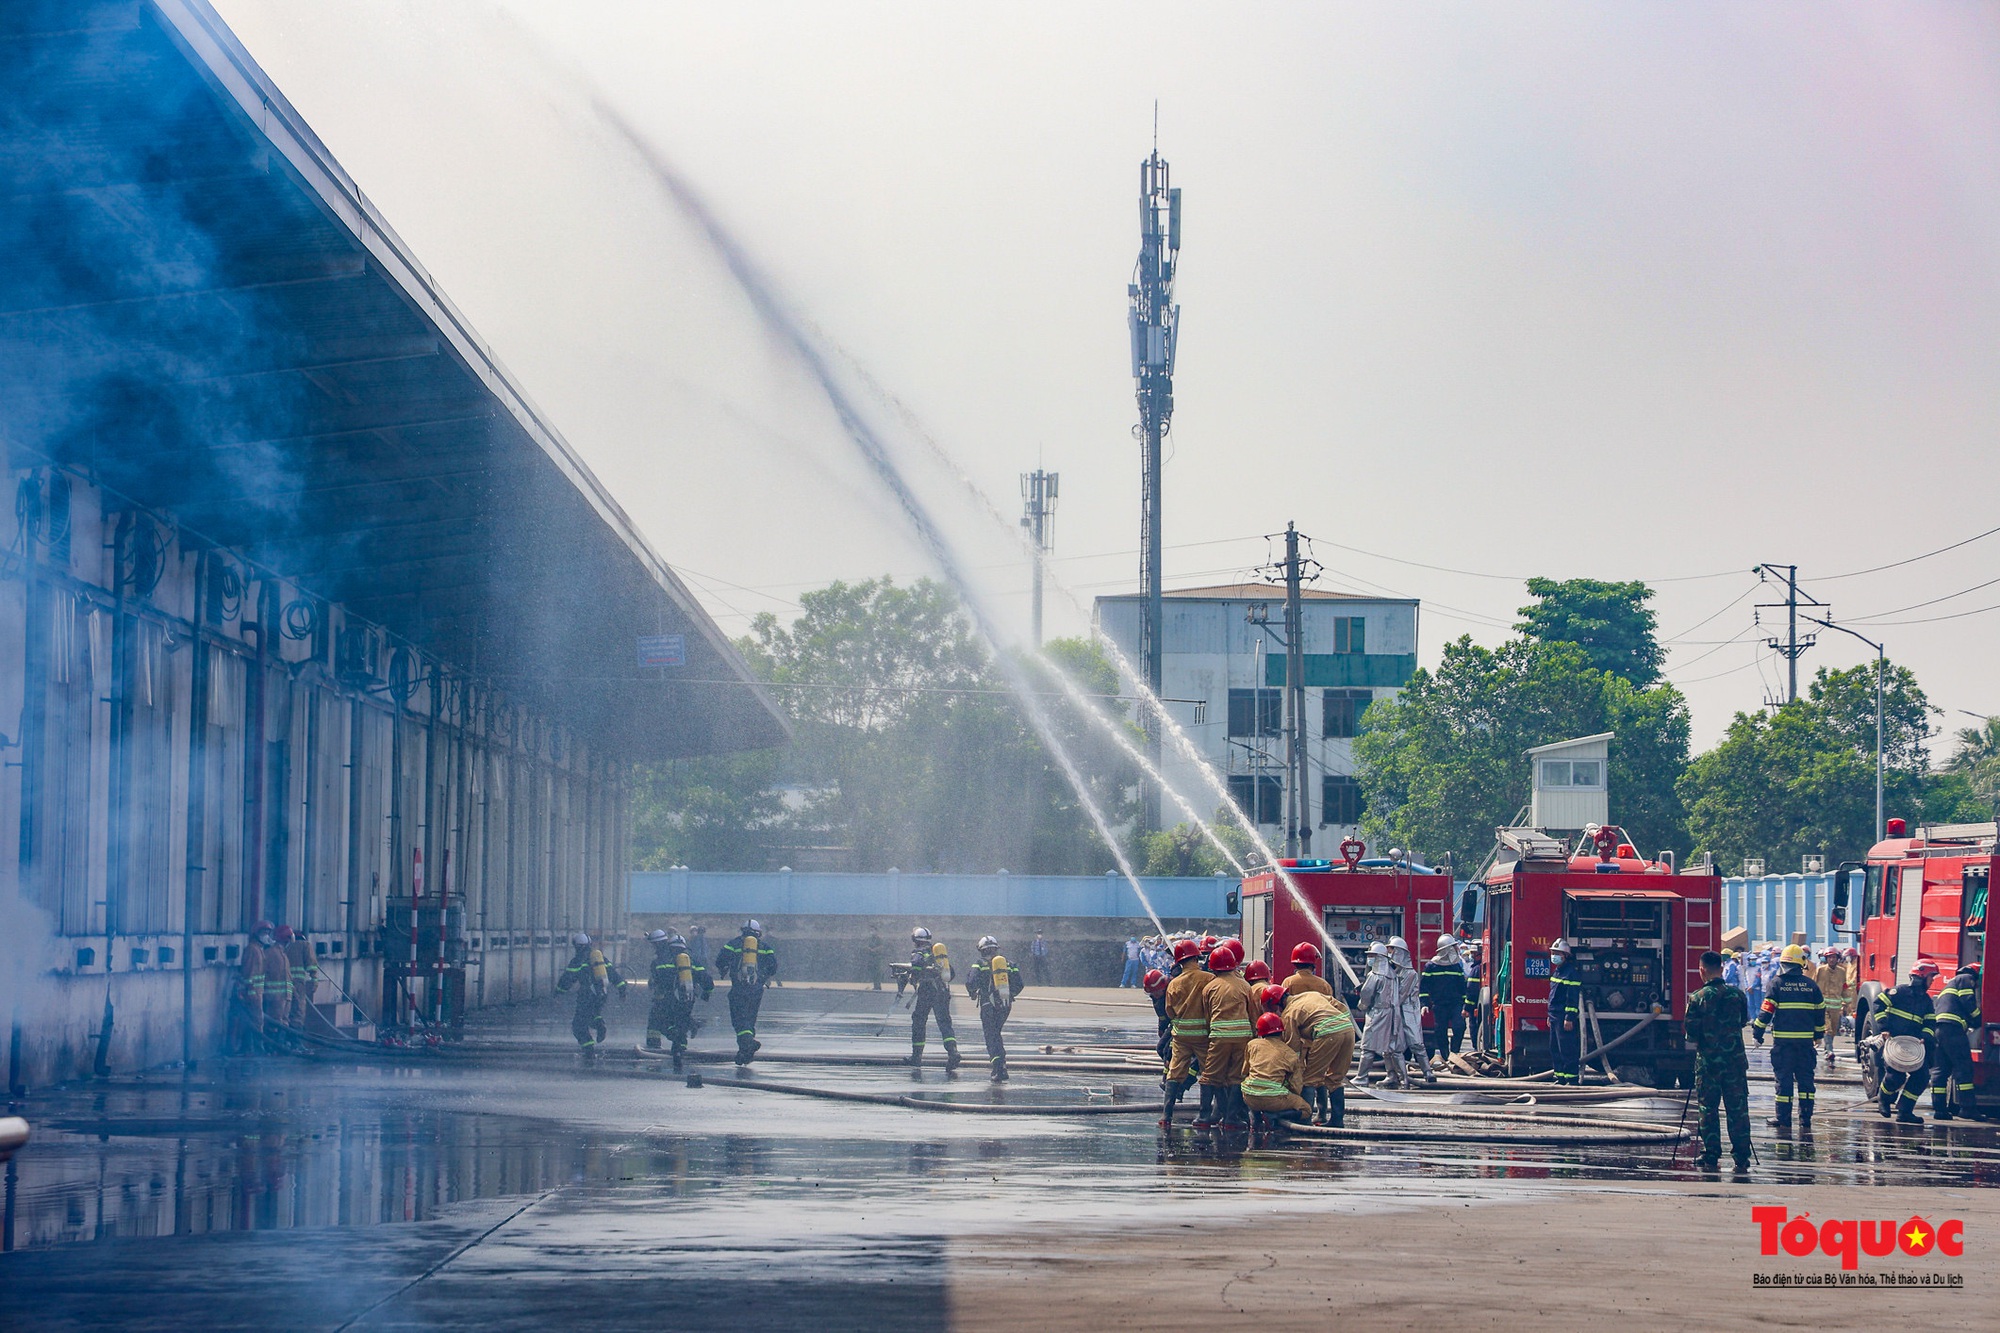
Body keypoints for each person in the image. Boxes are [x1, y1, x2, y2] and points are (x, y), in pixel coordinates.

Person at [1683, 950, 1753, 1171]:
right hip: (1735, 1063)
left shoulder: (1697, 998)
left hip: (1709, 1064)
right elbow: (1743, 1021)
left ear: (1701, 970)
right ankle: (1741, 1157)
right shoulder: (1738, 996)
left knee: (1708, 1109)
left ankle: (1711, 1155)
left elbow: (1691, 1035)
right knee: (1738, 1110)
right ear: (1722, 969)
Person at [1751, 944, 1825, 1134]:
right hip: (1805, 1045)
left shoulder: (1776, 983)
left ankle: (1783, 1119)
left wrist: (1757, 1034)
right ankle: (1805, 1120)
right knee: (1806, 1082)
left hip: (1783, 1045)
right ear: (1802, 964)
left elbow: (1766, 1011)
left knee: (1783, 1081)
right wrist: (1818, 1035)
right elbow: (1820, 1014)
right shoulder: (1811, 986)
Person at [1280, 975, 1355, 1126]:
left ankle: (1305, 1121)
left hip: (1328, 1033)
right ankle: (1337, 1121)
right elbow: (1341, 1007)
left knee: (1310, 1079)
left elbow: (1293, 1048)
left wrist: (1292, 1070)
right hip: (1348, 1029)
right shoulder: (1312, 994)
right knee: (1335, 1079)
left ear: (1277, 1004)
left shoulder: (1288, 1014)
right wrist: (1341, 1025)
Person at [1872, 961, 1938, 1124]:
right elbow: (1878, 1005)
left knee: (1922, 1077)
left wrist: (1925, 1035)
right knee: (1896, 1077)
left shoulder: (1926, 1001)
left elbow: (1930, 1023)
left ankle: (1905, 1111)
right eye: (1931, 977)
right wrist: (1884, 1028)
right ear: (1921, 977)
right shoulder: (1898, 992)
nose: (1933, 981)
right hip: (1895, 1044)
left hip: (1914, 1046)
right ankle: (1884, 1099)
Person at [1197, 945, 1255, 1132]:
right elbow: (1252, 1014)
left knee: (1210, 1076)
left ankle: (1204, 1116)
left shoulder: (1209, 987)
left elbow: (1207, 1017)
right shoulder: (1245, 986)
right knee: (1236, 1077)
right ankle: (1231, 1118)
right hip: (1243, 1038)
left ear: (1213, 967)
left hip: (1219, 1038)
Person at [1161, 939, 1213, 1129]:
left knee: (1174, 1073)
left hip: (1181, 1036)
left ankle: (1166, 1115)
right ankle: (1204, 1116)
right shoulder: (1208, 979)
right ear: (1196, 958)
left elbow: (1169, 1011)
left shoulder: (1174, 983)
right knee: (1208, 1073)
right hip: (1203, 1036)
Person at [644, 929, 712, 1068]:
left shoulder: (662, 960)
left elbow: (659, 979)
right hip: (688, 998)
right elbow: (707, 980)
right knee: (681, 1023)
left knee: (661, 1022)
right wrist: (707, 993)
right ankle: (679, 1050)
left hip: (669, 998)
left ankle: (677, 1043)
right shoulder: (691, 960)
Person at [714, 919, 777, 1064]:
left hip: (739, 987)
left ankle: (748, 1044)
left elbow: (720, 960)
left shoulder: (733, 944)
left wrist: (727, 966)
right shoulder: (765, 947)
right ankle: (744, 1053)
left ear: (742, 930)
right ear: (758, 933)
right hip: (756, 989)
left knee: (739, 1019)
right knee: (749, 1019)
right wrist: (762, 975)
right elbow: (773, 966)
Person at [898, 926, 961, 1070]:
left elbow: (916, 967)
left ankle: (916, 1057)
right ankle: (953, 1052)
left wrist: (911, 976)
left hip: (927, 991)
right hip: (943, 990)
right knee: (944, 1022)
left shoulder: (919, 952)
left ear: (915, 940)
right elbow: (951, 973)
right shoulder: (937, 953)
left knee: (919, 1021)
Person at [1241, 1011, 1313, 1134]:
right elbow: (1296, 1087)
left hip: (1249, 1097)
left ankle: (1256, 1121)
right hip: (1273, 1099)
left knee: (1253, 1089)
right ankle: (1274, 1117)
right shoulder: (1290, 1054)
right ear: (1282, 1031)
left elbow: (1244, 1071)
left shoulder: (1252, 1045)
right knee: (1306, 1110)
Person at [555, 932, 627, 1053]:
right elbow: (614, 975)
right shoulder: (600, 958)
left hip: (587, 994)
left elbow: (567, 979)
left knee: (578, 1025)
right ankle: (599, 1024)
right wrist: (622, 990)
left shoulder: (578, 960)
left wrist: (558, 992)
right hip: (602, 994)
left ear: (577, 946)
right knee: (592, 1014)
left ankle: (589, 1049)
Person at [967, 935, 1025, 1081]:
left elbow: (971, 982)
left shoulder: (979, 964)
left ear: (981, 950)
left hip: (988, 1005)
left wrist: (973, 993)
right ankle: (1002, 1066)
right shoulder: (1009, 964)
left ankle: (998, 1068)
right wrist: (1009, 994)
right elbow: (1020, 984)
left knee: (991, 1036)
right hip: (1005, 1005)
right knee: (996, 1034)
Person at [1932, 961, 1982, 1121]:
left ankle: (1940, 1110)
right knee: (1964, 1069)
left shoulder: (1949, 986)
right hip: (1953, 1030)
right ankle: (1967, 1108)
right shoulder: (1966, 978)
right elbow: (1968, 1001)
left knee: (1940, 1070)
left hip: (1939, 1029)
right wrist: (1978, 1018)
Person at [1353, 942, 1406, 1087]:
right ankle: (1397, 1078)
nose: (1369, 959)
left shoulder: (1374, 975)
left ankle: (1362, 1077)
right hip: (1393, 1014)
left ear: (1379, 957)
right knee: (1390, 1048)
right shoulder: (1392, 974)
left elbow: (1366, 994)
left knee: (1367, 1047)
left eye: (1371, 956)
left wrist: (1361, 1006)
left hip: (1377, 1013)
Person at [1420, 934, 1468, 1064]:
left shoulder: (1456, 966)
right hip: (1439, 1005)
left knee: (1459, 1026)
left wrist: (1465, 1005)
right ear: (1445, 949)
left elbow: (1462, 987)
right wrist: (1424, 1004)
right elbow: (1423, 987)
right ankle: (1446, 1056)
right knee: (1440, 1031)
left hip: (1456, 1004)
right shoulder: (1431, 966)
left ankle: (1454, 1053)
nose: (1455, 950)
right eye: (1452, 947)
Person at [1389, 936, 1430, 1084]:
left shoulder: (1410, 974)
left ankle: (1428, 1072)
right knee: (1396, 1046)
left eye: (1392, 950)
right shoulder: (1394, 972)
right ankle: (1402, 1078)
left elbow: (1401, 994)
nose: (1390, 954)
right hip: (1397, 1011)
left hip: (1409, 1010)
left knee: (1416, 1043)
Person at [1546, 939, 1582, 1086]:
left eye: (1557, 953)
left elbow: (1571, 998)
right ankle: (1559, 1077)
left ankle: (1572, 1079)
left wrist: (1569, 1018)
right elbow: (1552, 996)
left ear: (1565, 955)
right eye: (1553, 953)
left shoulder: (1570, 973)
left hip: (1563, 1017)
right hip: (1554, 1015)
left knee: (1567, 1049)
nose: (1554, 956)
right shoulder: (1557, 971)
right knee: (1554, 1048)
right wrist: (1549, 1016)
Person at [278, 926, 318, 1030]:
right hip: (298, 984)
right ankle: (295, 1039)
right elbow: (311, 964)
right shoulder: (305, 945)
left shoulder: (280, 947)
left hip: (282, 984)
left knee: (285, 1011)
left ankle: (284, 1039)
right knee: (298, 1011)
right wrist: (314, 979)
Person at [1144, 967, 1172, 1065]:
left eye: (1156, 992)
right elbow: (1162, 1016)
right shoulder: (1156, 998)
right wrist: (1161, 1028)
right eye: (1152, 992)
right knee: (1162, 1049)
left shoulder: (1172, 992)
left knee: (1166, 1050)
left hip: (1179, 1026)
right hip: (1172, 1026)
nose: (1155, 995)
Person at [1461, 941, 1485, 1052]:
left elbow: (1471, 990)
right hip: (1478, 1005)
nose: (1472, 957)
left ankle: (1476, 1050)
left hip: (1474, 1007)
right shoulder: (1481, 968)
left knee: (1474, 1028)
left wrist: (1467, 1008)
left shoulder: (1476, 970)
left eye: (1474, 954)